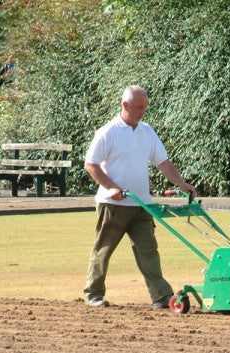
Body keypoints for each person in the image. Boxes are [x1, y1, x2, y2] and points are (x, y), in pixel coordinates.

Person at [83, 85, 196, 309]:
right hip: (112, 204)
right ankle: (93, 294)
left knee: (148, 251)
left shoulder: (147, 132)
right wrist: (111, 187)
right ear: (125, 105)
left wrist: (182, 184)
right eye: (139, 107)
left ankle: (161, 296)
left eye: (145, 107)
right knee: (103, 249)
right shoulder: (108, 132)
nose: (142, 111)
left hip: (142, 204)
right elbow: (91, 164)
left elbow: (163, 162)